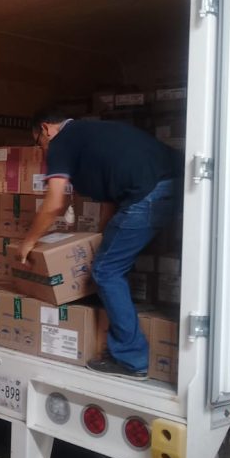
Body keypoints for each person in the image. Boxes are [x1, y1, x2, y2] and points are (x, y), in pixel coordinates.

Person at [19, 107, 177, 380]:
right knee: (109, 260)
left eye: (38, 144)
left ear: (46, 129)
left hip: (149, 192)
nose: (43, 151)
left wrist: (28, 242)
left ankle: (132, 360)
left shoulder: (62, 141)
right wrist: (98, 241)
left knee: (106, 271)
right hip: (178, 184)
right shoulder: (92, 136)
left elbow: (55, 203)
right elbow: (110, 202)